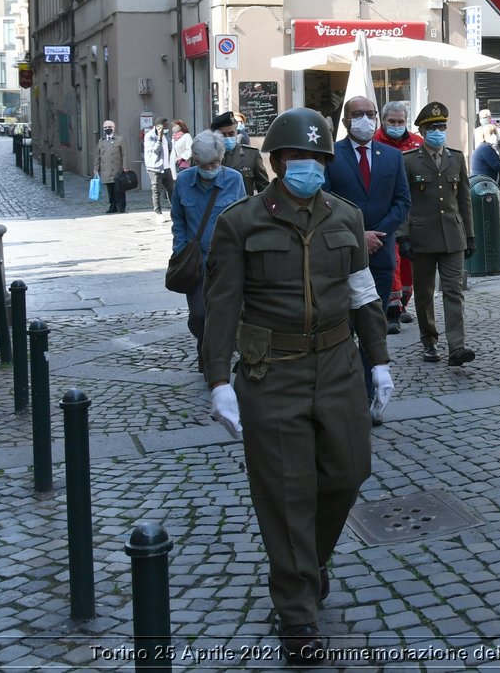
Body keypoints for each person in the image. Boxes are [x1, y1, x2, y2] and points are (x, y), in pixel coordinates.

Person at [201, 107, 393, 666]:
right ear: (279, 162)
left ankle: (310, 562)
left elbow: (363, 294)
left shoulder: (347, 219)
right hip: (271, 373)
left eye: (315, 158)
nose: (306, 166)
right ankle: (297, 612)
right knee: (286, 493)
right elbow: (220, 307)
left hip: (337, 364)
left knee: (349, 470)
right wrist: (218, 380)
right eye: (296, 158)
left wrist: (377, 360)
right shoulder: (242, 222)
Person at [322, 95, 409, 408]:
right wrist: (359, 235)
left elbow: (402, 202)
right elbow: (324, 201)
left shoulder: (391, 156)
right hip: (343, 256)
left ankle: (368, 393)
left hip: (381, 256)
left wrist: (379, 235)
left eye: (370, 114)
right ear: (346, 120)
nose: (365, 119)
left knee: (374, 328)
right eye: (358, 114)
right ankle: (345, 392)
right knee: (342, 328)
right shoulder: (330, 156)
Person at [396, 102, 475, 366]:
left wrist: (471, 235)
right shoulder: (408, 161)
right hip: (421, 238)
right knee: (424, 294)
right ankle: (429, 341)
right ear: (422, 130)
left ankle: (457, 347)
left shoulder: (457, 157)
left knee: (454, 292)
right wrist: (403, 234)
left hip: (453, 236)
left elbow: (464, 200)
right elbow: (402, 200)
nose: (438, 131)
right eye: (432, 127)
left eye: (442, 126)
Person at [171, 130, 245, 353]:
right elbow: (178, 219)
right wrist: (180, 250)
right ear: (195, 160)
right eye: (205, 164)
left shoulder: (234, 179)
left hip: (226, 261)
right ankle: (205, 343)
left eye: (215, 164)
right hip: (196, 262)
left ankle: (214, 357)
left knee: (225, 314)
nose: (211, 169)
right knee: (199, 314)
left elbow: (242, 219)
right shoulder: (184, 181)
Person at [375, 100, 422, 326]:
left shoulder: (417, 142)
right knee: (391, 260)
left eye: (400, 121)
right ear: (383, 121)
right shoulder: (373, 142)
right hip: (387, 212)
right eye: (391, 121)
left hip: (413, 214)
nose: (396, 125)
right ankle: (392, 310)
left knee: (408, 264)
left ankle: (404, 302)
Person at [213, 111, 270, 197]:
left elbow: (264, 188)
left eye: (231, 134)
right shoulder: (206, 156)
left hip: (243, 208)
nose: (228, 137)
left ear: (236, 132)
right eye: (223, 135)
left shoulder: (251, 155)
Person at [96, 120, 129, 213]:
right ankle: (112, 206)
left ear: (113, 128)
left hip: (117, 169)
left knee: (119, 189)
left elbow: (124, 154)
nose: (107, 129)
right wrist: (96, 168)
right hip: (106, 169)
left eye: (109, 127)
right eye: (105, 127)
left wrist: (125, 166)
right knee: (110, 189)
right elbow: (97, 155)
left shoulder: (119, 139)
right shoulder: (101, 141)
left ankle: (121, 206)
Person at [144, 118, 173, 221]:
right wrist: (159, 137)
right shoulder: (149, 136)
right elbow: (155, 151)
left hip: (166, 167)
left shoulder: (166, 136)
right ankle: (158, 212)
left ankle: (175, 211)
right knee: (156, 190)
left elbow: (170, 147)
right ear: (158, 126)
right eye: (165, 126)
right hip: (155, 167)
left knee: (171, 189)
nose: (167, 128)